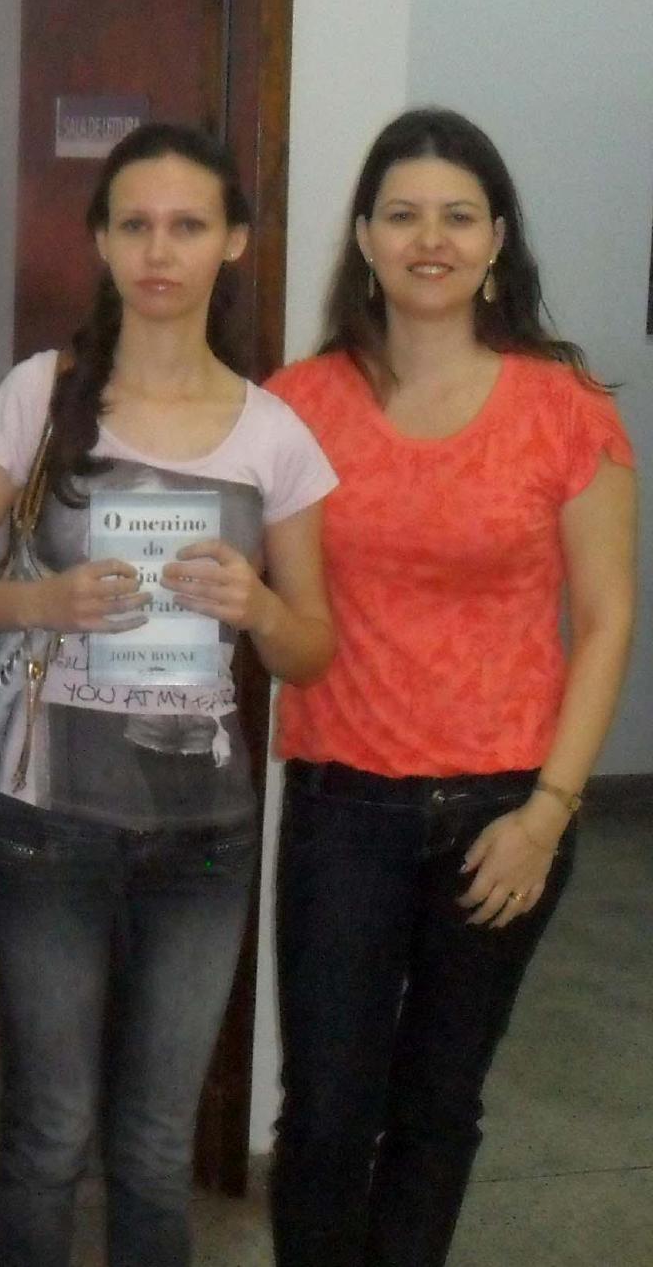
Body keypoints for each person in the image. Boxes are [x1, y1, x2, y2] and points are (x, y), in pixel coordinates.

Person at [0, 123, 336, 1267]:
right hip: (46, 826)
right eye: (133, 225)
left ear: (232, 242)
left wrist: (256, 608)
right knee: (45, 1132)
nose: (158, 251)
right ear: (100, 242)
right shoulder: (38, 393)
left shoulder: (274, 432)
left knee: (157, 1145)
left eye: (186, 225)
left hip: (202, 834)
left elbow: (313, 649)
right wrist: (41, 602)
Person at [264, 108, 636, 1267]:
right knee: (324, 1118)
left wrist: (546, 814)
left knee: (436, 1108)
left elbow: (606, 620)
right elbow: (267, 605)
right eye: (402, 215)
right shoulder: (296, 404)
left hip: (504, 813)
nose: (429, 240)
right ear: (362, 238)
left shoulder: (564, 408)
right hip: (341, 808)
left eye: (457, 217)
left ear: (495, 239)